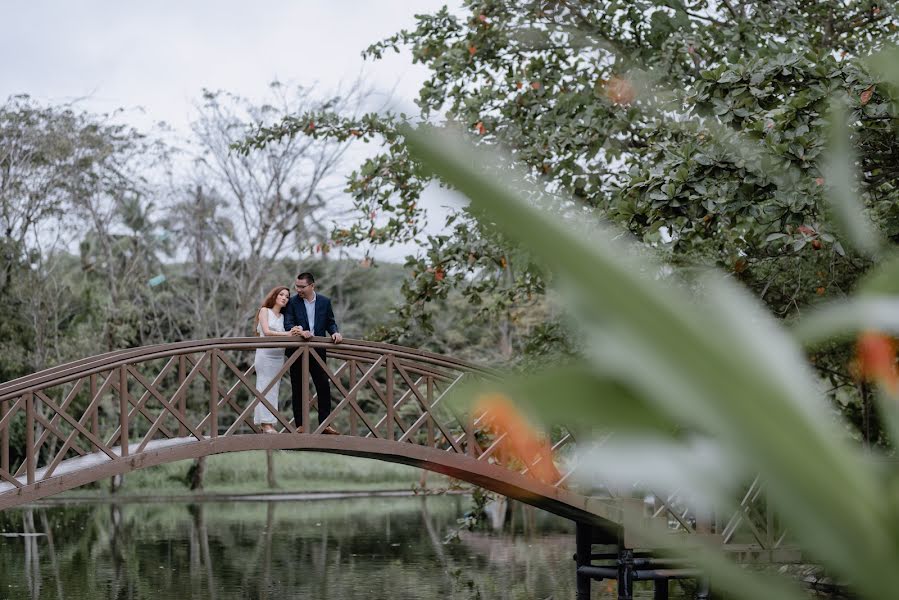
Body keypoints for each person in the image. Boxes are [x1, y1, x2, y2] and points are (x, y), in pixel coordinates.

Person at [283, 272, 343, 434]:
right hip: (297, 351)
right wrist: (301, 331)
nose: (298, 289)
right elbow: (288, 323)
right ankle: (300, 426)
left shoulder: (324, 301)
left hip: (318, 350)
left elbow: (330, 322)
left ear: (312, 286)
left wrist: (335, 332)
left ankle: (325, 425)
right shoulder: (293, 302)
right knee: (298, 387)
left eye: (302, 287)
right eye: (297, 286)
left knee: (323, 385)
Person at [253, 286, 292, 434]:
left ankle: (269, 422)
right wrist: (287, 334)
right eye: (281, 295)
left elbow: (288, 334)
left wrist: (294, 332)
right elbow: (267, 332)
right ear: (274, 296)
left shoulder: (283, 317)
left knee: (274, 389)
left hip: (278, 357)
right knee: (264, 386)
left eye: (287, 297)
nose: (284, 298)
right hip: (265, 355)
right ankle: (265, 423)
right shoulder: (265, 311)